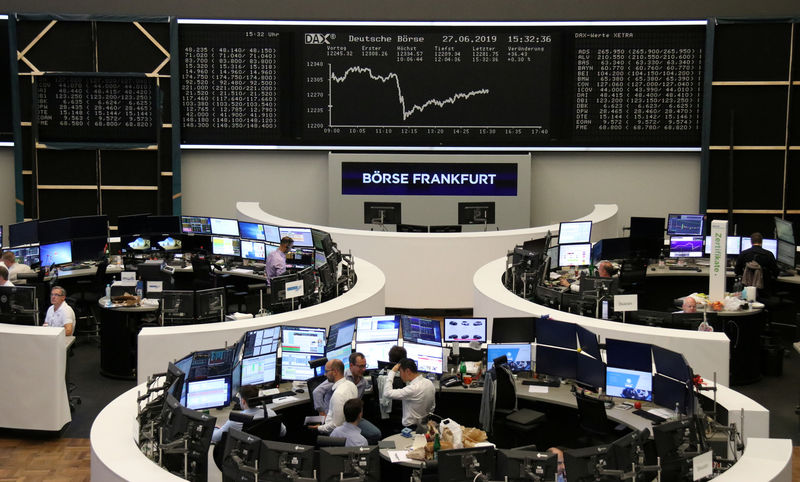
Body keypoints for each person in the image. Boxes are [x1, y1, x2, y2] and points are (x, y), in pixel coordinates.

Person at [312, 352, 382, 443]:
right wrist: (322, 413)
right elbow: (317, 392)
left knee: (376, 434)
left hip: (351, 418)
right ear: (351, 365)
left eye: (365, 366)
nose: (364, 369)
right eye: (360, 366)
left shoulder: (363, 382)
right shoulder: (340, 377)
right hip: (336, 418)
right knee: (351, 440)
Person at [212, 385, 285, 443]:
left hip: (247, 455)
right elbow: (283, 432)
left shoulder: (237, 419)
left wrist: (215, 427)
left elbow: (215, 438)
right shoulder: (270, 413)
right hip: (267, 453)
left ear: (243, 401)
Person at [382, 358, 436, 429]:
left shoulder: (412, 389)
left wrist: (392, 372)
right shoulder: (429, 383)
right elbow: (432, 407)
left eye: (400, 372)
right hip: (424, 424)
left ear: (407, 371)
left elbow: (386, 393)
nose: (400, 375)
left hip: (410, 427)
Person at [314, 359, 358, 435]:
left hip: (336, 433)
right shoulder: (352, 385)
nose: (325, 374)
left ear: (335, 372)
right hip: (350, 426)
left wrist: (318, 428)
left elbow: (336, 425)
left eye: (327, 371)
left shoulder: (338, 394)